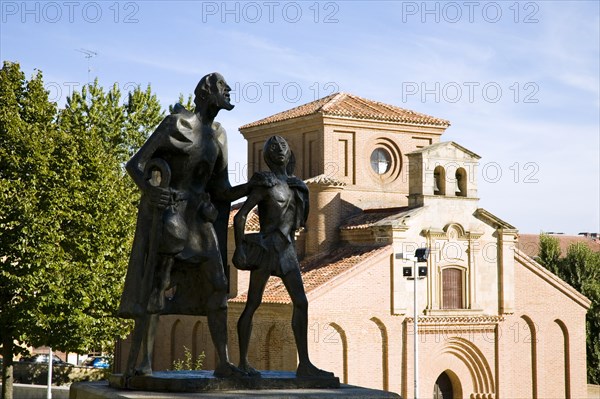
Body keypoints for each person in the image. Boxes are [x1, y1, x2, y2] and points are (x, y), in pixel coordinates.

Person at [118, 72, 248, 378]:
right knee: (157, 287)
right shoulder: (175, 124)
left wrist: (254, 187)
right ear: (206, 93)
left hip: (200, 223)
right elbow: (135, 164)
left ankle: (225, 363)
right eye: (221, 87)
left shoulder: (218, 135)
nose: (228, 90)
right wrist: (151, 190)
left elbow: (222, 191)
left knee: (218, 285)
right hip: (173, 217)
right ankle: (143, 363)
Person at [233, 135, 333, 378]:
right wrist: (239, 248)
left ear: (289, 154)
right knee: (252, 305)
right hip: (267, 249)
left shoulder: (297, 186)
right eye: (274, 147)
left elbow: (300, 220)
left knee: (301, 303)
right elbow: (240, 216)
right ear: (267, 155)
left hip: (287, 251)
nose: (279, 150)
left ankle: (305, 364)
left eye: (284, 147)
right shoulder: (264, 183)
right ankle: (243, 363)